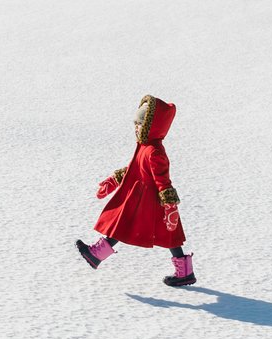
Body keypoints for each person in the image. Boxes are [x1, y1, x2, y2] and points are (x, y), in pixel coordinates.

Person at [76, 94, 195, 287]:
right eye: (135, 124)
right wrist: (114, 180)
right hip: (139, 196)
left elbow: (162, 180)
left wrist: (170, 206)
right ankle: (185, 272)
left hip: (150, 200)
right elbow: (134, 167)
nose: (136, 128)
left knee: (133, 226)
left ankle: (96, 254)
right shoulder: (144, 146)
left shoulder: (155, 151)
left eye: (140, 124)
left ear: (151, 125)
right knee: (134, 227)